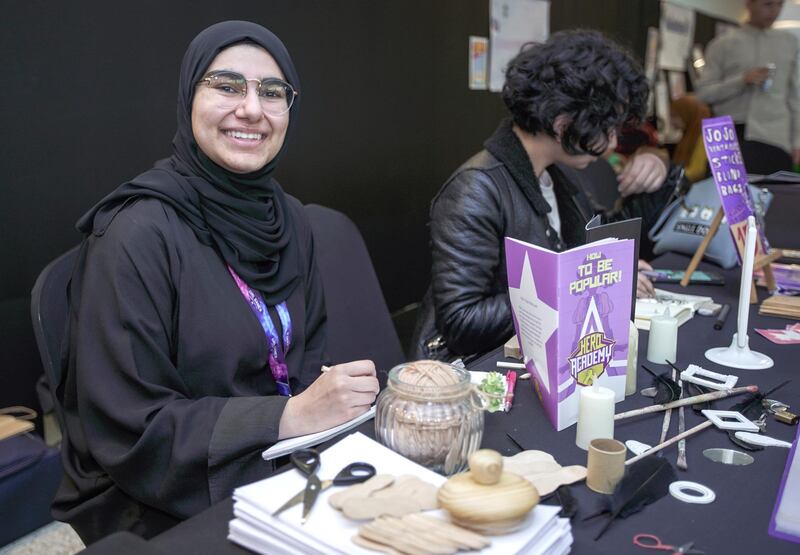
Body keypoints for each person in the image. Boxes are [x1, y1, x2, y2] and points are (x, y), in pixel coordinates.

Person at [54, 21, 379, 543]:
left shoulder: (289, 219)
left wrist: (312, 415)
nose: (251, 109)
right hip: (162, 487)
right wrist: (287, 416)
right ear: (189, 97)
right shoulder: (135, 234)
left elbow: (305, 355)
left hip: (280, 456)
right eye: (227, 86)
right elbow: (134, 426)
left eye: (272, 93)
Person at [412, 30, 676, 361]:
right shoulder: (475, 190)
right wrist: (575, 283)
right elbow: (462, 322)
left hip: (539, 353)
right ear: (563, 124)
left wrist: (658, 167)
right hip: (474, 373)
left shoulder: (558, 173)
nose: (611, 144)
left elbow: (597, 237)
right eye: (605, 129)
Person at [696, 0, 799, 174]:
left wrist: (797, 141)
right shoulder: (723, 44)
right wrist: (742, 80)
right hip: (729, 137)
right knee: (721, 199)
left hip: (775, 139)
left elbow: (796, 97)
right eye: (767, 4)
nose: (774, 11)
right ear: (749, 4)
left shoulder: (790, 44)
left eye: (780, 5)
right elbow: (704, 93)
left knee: (777, 198)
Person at [670, 95, 711, 183]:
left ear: (687, 113)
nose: (671, 121)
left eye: (674, 116)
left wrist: (672, 177)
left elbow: (697, 171)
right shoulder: (688, 134)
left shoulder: (704, 136)